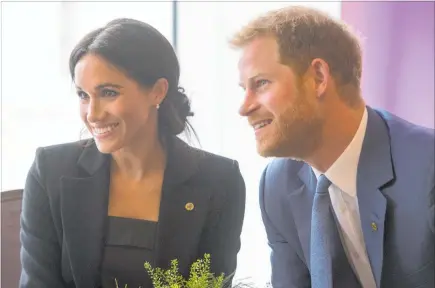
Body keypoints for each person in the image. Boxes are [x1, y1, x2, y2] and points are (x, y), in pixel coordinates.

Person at [20, 18, 246, 288]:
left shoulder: (219, 180)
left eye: (108, 92)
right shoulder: (50, 171)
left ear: (158, 91)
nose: (93, 114)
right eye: (83, 95)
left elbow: (213, 284)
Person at [230, 6, 434, 288]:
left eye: (261, 83)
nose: (245, 107)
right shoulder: (277, 185)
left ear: (318, 77)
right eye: (244, 89)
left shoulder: (428, 167)